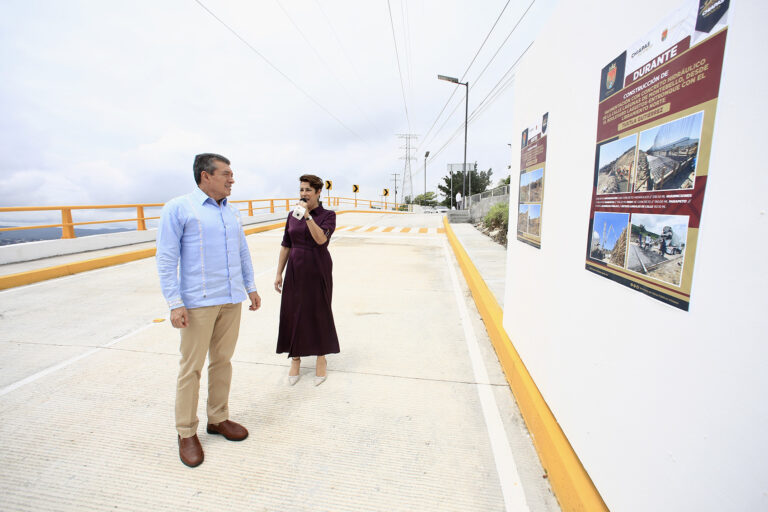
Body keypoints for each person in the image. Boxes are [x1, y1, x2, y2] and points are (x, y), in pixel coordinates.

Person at [156, 153, 261, 468]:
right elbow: (166, 258)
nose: (232, 179)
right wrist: (175, 303)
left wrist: (251, 288)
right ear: (206, 176)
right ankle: (186, 432)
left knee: (223, 362)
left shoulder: (232, 212)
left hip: (231, 299)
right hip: (198, 302)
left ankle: (218, 418)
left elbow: (242, 250)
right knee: (191, 368)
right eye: (226, 174)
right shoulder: (179, 208)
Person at [274, 174, 340, 386]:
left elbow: (321, 240)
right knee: (293, 311)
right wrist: (278, 273)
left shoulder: (328, 215)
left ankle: (321, 358)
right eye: (301, 190)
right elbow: (286, 244)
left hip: (317, 267)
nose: (303, 194)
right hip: (295, 267)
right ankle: (295, 359)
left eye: (308, 190)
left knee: (318, 311)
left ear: (318, 192)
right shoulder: (292, 215)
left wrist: (308, 216)